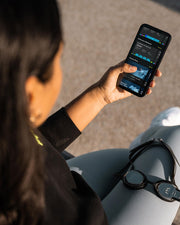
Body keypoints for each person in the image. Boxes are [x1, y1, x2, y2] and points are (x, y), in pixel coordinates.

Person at [0, 0, 179, 225]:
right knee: (176, 139)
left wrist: (100, 95)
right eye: (58, 60)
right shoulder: (51, 209)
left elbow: (40, 141)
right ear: (31, 95)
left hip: (62, 179)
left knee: (127, 160)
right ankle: (156, 136)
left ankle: (149, 144)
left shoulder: (8, 130)